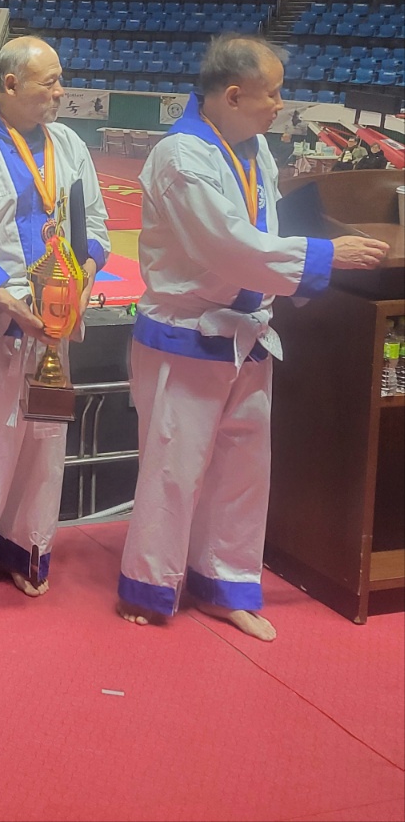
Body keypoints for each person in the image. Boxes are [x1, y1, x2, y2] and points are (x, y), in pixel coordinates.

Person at [117, 34, 388, 640]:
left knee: (243, 471)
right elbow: (229, 246)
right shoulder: (180, 156)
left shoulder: (256, 148)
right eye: (272, 94)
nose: (280, 106)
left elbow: (265, 231)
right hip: (188, 332)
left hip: (248, 333)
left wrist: (298, 281)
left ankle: (225, 585)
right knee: (173, 470)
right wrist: (326, 256)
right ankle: (150, 584)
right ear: (234, 95)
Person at [0, 37, 109, 598]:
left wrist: (82, 281)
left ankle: (27, 550)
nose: (61, 92)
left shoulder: (70, 144)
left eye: (61, 79)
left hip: (56, 330)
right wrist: (8, 301)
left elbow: (94, 226)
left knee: (44, 447)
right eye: (49, 81)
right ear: (10, 84)